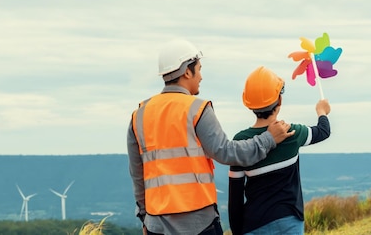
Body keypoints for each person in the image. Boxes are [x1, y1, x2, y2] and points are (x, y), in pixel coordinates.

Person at [127, 39, 295, 235]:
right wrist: (268, 139)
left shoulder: (139, 115)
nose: (201, 76)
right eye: (199, 69)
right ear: (187, 72)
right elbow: (227, 153)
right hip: (199, 223)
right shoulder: (197, 109)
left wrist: (144, 217)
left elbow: (137, 174)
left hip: (157, 225)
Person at [228, 66, 331, 235]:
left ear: (248, 104)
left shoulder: (240, 141)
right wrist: (322, 111)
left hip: (253, 224)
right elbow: (323, 131)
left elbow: (235, 196)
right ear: (279, 101)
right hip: (289, 221)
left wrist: (237, 230)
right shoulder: (292, 133)